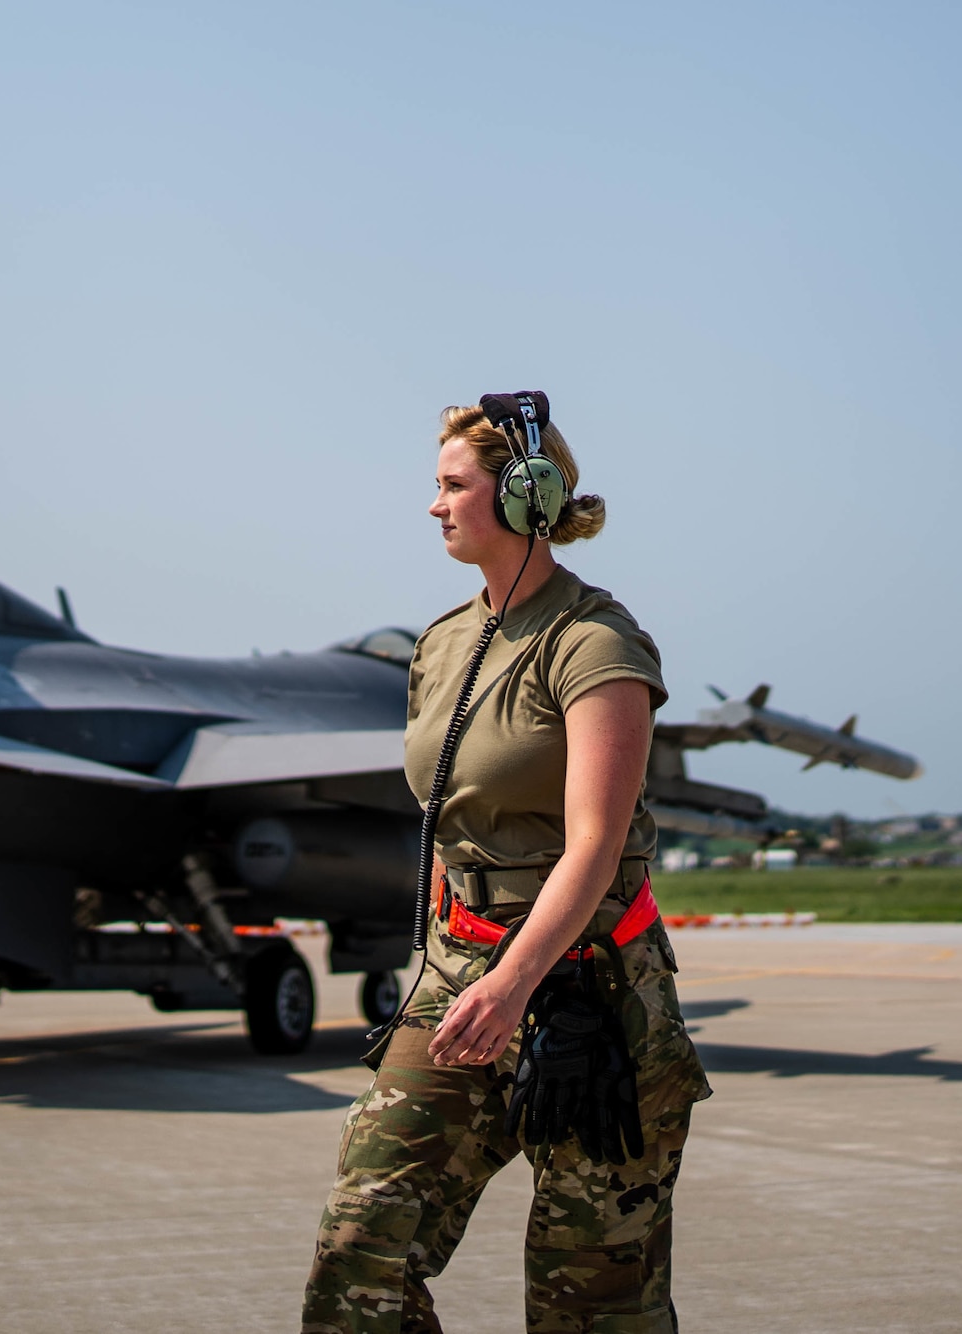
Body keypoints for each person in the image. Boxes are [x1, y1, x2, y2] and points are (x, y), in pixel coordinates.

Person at [301, 401, 710, 1333]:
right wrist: (453, 969)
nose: (435, 506)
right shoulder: (442, 643)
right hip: (461, 976)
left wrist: (513, 983)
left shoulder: (596, 643)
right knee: (360, 1247)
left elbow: (595, 843)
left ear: (526, 497)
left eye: (453, 486)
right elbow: (452, 824)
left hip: (591, 991)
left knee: (591, 1302)